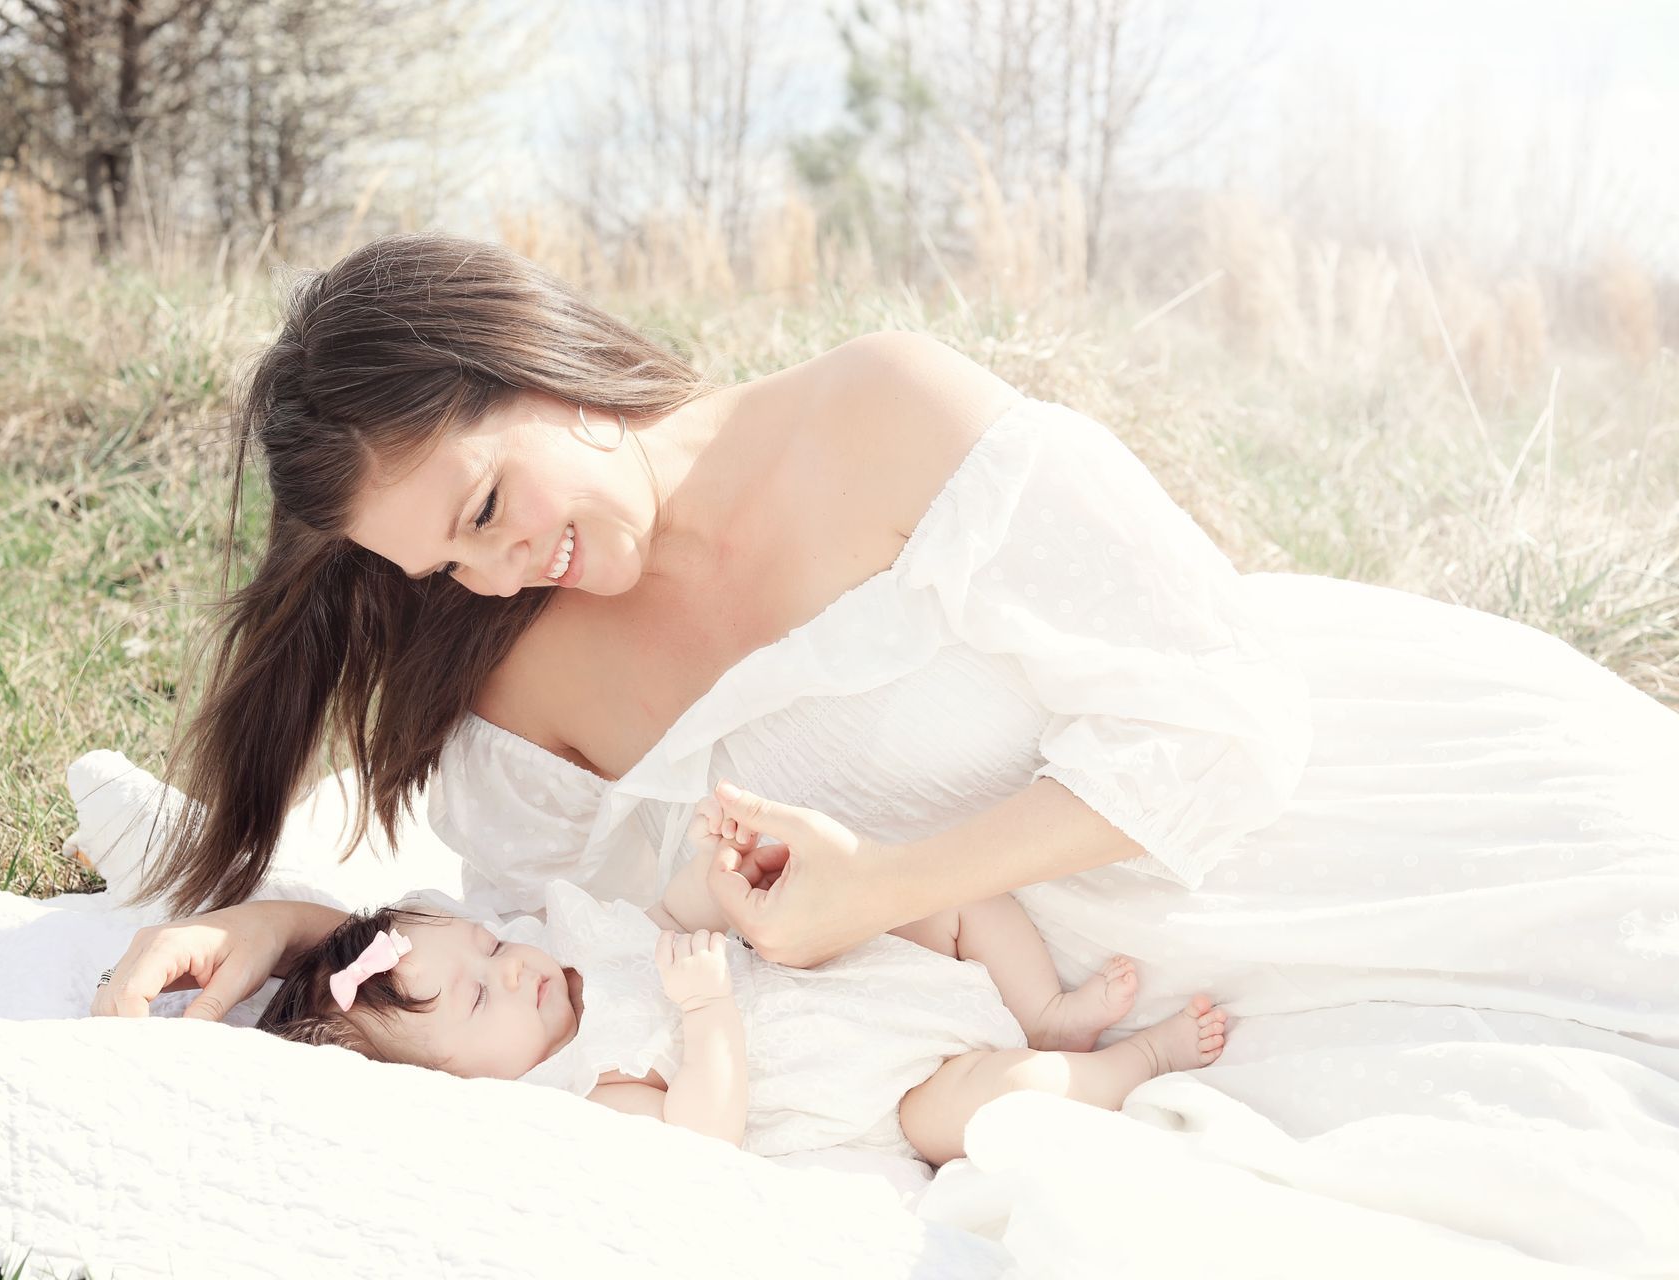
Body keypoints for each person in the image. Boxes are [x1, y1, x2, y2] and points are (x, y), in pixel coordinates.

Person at [92, 230, 1678, 1259]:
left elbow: (1232, 713)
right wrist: (292, 925)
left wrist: (888, 885)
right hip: (1005, 989)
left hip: (1313, 792)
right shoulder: (510, 681)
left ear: (541, 373)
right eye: (448, 566)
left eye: (492, 508)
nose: (500, 573)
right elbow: (537, 951)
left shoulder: (880, 409)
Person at [253, 790, 1227, 1167]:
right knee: (980, 1107)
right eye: (477, 997)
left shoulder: (570, 945)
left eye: (489, 949)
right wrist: (707, 1013)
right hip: (872, 1085)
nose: (513, 970)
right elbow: (702, 1137)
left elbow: (672, 919)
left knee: (944, 898)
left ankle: (1045, 1012)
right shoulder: (579, 1091)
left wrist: (726, 881)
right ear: (461, 1084)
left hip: (856, 978)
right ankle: (1131, 1060)